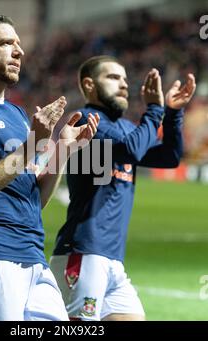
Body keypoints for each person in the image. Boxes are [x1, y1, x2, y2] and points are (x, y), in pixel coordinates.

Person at [0, 15, 99, 321]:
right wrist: (32, 143)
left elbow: (34, 199)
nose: (19, 51)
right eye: (6, 43)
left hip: (34, 257)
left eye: (19, 44)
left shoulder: (18, 114)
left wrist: (62, 149)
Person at [50, 55, 196, 321]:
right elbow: (131, 149)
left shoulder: (125, 128)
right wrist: (154, 110)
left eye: (126, 79)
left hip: (112, 258)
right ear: (89, 85)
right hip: (83, 254)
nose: (124, 84)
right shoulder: (86, 121)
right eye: (114, 77)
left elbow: (169, 157)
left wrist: (173, 113)